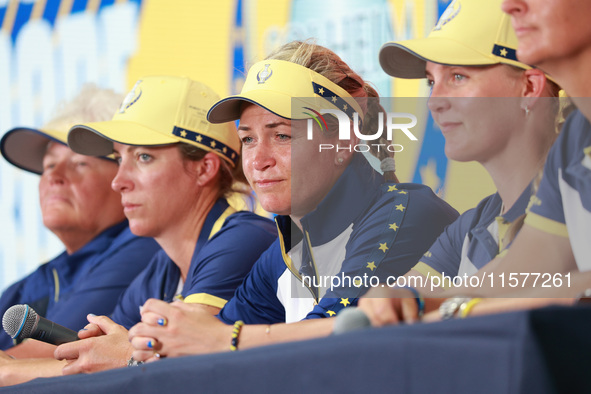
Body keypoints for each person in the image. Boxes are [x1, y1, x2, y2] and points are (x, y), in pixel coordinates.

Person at [125, 41, 459, 361]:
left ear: (343, 142)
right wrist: (140, 350)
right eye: (248, 140)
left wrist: (218, 341)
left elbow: (335, 341)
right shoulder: (281, 253)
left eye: (282, 135)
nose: (258, 161)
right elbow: (204, 353)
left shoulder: (403, 215)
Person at [360, 0, 591, 324]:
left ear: (530, 87)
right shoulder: (575, 138)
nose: (433, 101)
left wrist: (450, 309)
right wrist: (417, 300)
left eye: (458, 76)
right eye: (431, 81)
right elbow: (531, 268)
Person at [42, 76, 278, 376]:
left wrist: (11, 372)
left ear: (204, 168)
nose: (119, 181)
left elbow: (174, 363)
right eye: (118, 158)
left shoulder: (245, 239)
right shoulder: (161, 268)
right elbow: (95, 359)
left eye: (143, 157)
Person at [0, 85, 161, 357]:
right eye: (49, 165)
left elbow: (34, 358)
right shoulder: (34, 282)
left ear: (123, 176)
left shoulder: (147, 246)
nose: (54, 176)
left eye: (78, 163)